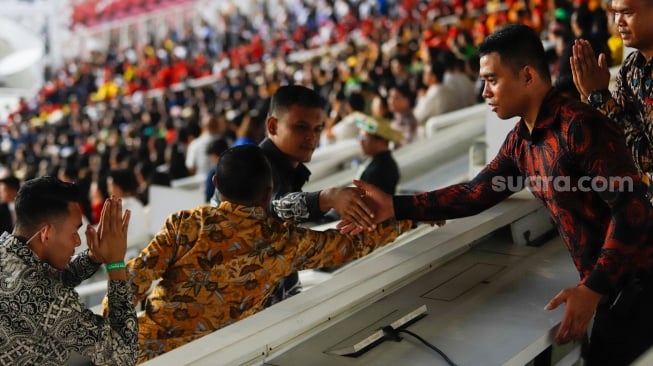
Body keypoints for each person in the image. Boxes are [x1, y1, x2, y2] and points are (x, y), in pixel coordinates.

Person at [341, 24, 653, 366]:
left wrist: (592, 288)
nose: (484, 91)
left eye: (492, 80)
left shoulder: (580, 125)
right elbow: (477, 191)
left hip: (638, 289)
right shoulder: (522, 140)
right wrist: (395, 205)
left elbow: (633, 208)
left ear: (528, 76)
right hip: (608, 292)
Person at [120, 144, 412, 362]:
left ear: (215, 185)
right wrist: (411, 216)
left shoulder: (184, 225)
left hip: (146, 353)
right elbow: (351, 245)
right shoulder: (283, 241)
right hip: (221, 357)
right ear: (268, 193)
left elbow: (129, 282)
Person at [255, 84, 378, 306]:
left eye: (318, 129)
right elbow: (279, 206)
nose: (312, 137)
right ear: (273, 126)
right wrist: (328, 197)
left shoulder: (285, 166)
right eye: (301, 127)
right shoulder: (253, 166)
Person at [0, 176, 136, 365]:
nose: (78, 241)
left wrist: (93, 257)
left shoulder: (7, 250)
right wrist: (115, 264)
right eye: (74, 232)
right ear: (46, 233)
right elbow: (123, 352)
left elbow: (51, 279)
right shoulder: (46, 294)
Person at [571, 0, 653, 180]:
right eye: (616, 13)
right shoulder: (631, 66)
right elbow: (611, 141)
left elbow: (647, 159)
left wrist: (599, 96)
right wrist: (588, 96)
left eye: (627, 12)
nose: (618, 21)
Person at [355, 114, 402, 195]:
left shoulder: (380, 169)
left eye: (365, 138)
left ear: (381, 141)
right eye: (360, 138)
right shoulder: (378, 162)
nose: (361, 142)